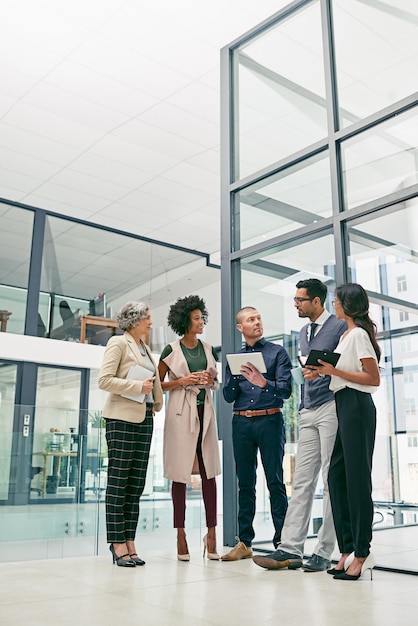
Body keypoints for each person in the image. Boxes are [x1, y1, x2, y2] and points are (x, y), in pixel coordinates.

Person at [253, 279, 347, 572]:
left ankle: (324, 551)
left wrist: (322, 372)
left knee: (331, 480)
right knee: (303, 480)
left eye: (300, 300)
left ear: (316, 301)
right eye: (294, 299)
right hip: (308, 409)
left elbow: (345, 366)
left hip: (332, 405)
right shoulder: (304, 331)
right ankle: (290, 549)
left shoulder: (340, 328)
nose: (295, 304)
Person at [311, 283, 381, 581]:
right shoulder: (346, 336)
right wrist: (321, 370)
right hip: (344, 404)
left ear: (347, 305)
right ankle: (347, 548)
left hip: (357, 406)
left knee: (356, 479)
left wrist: (334, 371)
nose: (334, 305)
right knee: (337, 477)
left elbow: (372, 378)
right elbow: (344, 370)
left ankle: (362, 552)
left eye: (337, 301)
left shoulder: (359, 335)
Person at [221, 306, 292, 561]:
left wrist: (264, 382)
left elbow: (286, 390)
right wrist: (231, 377)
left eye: (259, 318)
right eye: (251, 319)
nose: (257, 322)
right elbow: (228, 396)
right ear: (241, 327)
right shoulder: (235, 358)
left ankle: (283, 542)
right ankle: (244, 543)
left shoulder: (277, 353)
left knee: (275, 481)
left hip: (270, 421)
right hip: (241, 424)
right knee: (245, 484)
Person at [98, 301, 163, 567]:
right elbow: (104, 380)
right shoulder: (118, 343)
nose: (150, 322)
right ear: (134, 320)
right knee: (118, 483)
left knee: (136, 485)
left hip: (144, 418)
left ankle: (130, 541)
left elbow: (154, 381)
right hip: (121, 420)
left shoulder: (145, 348)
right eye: (147, 318)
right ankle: (117, 543)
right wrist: (137, 386)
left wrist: (157, 403)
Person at [158, 295, 221, 561]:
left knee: (209, 472)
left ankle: (212, 533)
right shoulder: (170, 350)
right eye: (196, 318)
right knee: (180, 473)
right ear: (185, 321)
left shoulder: (209, 349)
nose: (200, 321)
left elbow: (215, 379)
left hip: (204, 410)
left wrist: (209, 378)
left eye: (201, 317)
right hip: (180, 413)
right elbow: (157, 385)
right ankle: (180, 533)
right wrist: (182, 380)